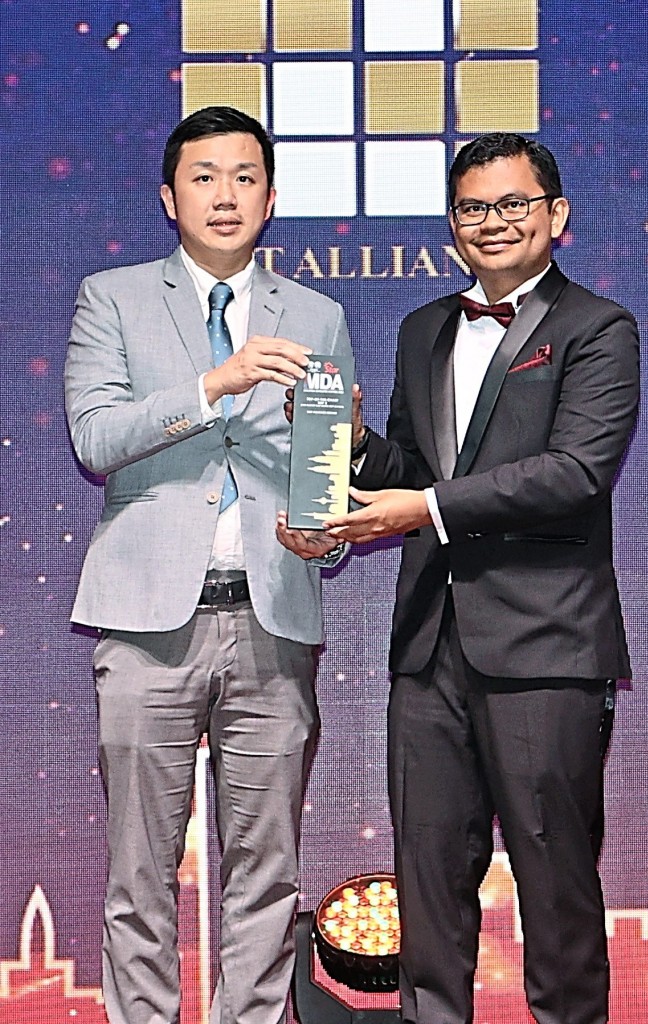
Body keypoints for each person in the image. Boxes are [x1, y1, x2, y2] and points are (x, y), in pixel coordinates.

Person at [324, 133, 640, 1024]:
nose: (492, 222)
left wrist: (421, 506)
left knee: (555, 882)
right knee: (426, 880)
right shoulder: (423, 327)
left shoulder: (598, 328)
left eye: (512, 204)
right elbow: (414, 464)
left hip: (544, 646)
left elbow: (573, 472)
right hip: (428, 650)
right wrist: (354, 445)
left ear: (555, 215)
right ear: (452, 224)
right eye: (473, 208)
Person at [64, 105, 351, 1024]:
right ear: (168, 195)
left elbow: (328, 466)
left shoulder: (317, 315)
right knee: (139, 870)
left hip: (272, 617)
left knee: (265, 871)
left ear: (270, 199)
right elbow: (97, 438)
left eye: (243, 178)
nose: (223, 195)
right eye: (203, 176)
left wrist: (328, 534)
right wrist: (213, 384)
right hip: (147, 621)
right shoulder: (111, 296)